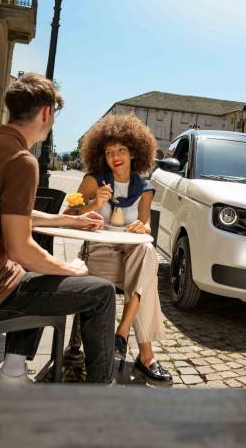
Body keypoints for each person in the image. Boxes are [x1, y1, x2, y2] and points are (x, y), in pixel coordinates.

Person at [0, 72, 116, 385]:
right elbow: (20, 248)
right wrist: (71, 269)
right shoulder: (21, 161)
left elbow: (12, 214)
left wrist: (69, 219)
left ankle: (12, 371)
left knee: (39, 274)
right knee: (101, 293)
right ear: (47, 113)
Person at [70, 113, 172, 383]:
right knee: (147, 275)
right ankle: (146, 356)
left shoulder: (145, 189)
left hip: (130, 257)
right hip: (98, 255)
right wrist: (93, 204)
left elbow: (146, 226)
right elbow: (68, 213)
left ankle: (123, 331)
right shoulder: (94, 180)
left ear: (134, 153)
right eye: (108, 151)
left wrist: (142, 227)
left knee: (146, 252)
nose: (115, 156)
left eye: (121, 150)